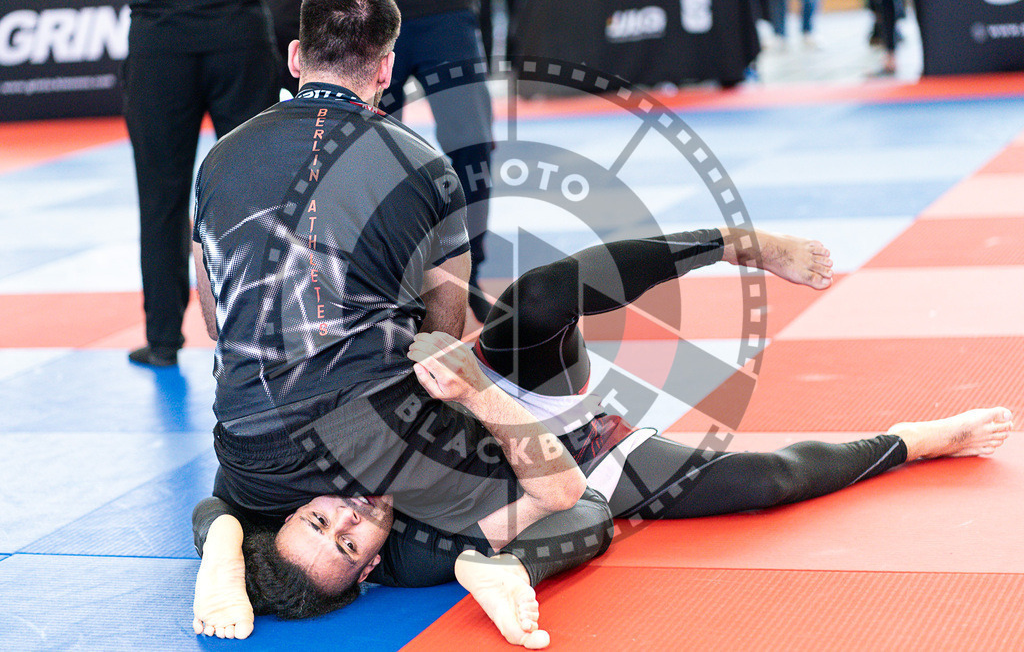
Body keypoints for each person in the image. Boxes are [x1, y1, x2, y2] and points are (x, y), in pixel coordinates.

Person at [191, 225, 1015, 645]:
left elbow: (219, 503)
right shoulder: (417, 557)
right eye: (347, 540)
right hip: (565, 455)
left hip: (510, 381)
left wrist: (223, 557)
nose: (347, 514)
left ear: (293, 509)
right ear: (372, 567)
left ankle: (738, 245)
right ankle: (916, 438)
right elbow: (563, 496)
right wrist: (478, 401)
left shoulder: (297, 468)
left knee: (545, 293)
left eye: (318, 517)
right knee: (766, 484)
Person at [190, 0, 614, 643]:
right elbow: (444, 330)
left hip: (249, 443)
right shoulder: (426, 165)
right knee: (579, 504)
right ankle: (488, 557)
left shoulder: (219, 157)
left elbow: (215, 319)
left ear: (296, 58)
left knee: (233, 485)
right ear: (387, 68)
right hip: (378, 436)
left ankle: (222, 536)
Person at [124, 0, 280, 367]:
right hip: (237, 25)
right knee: (258, 194)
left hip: (160, 30)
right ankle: (267, 331)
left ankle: (162, 339)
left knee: (161, 197)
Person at [324, 0, 496, 322]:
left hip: (446, 5)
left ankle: (468, 271)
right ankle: (382, 275)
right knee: (368, 149)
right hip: (365, 7)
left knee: (473, 145)